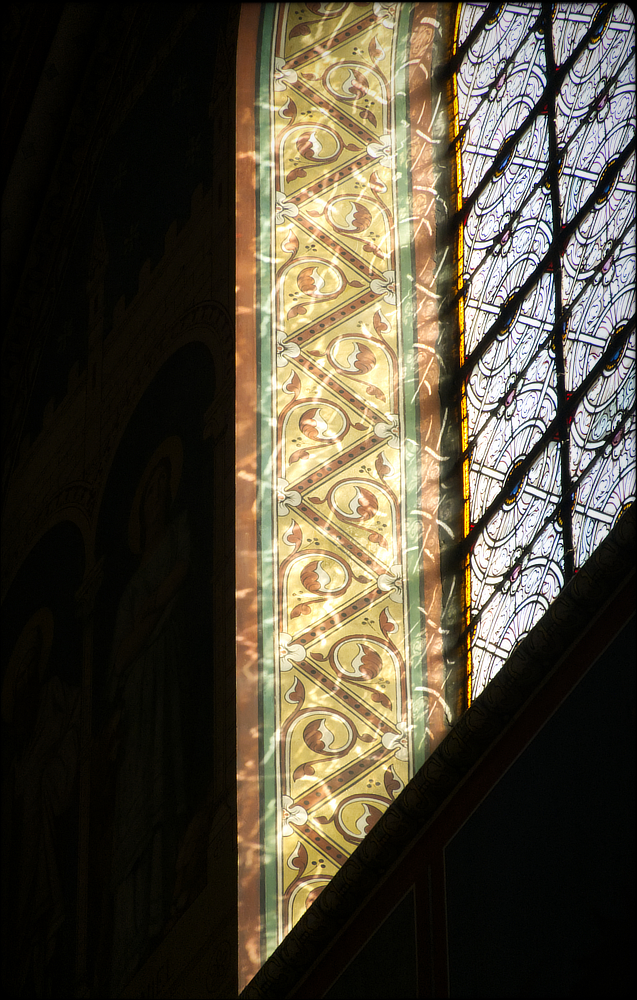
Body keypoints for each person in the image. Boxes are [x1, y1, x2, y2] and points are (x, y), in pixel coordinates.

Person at [107, 439, 190, 992]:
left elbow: (182, 573)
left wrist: (152, 616)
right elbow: (121, 652)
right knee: (136, 804)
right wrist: (147, 617)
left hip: (165, 672)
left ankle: (162, 909)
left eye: (164, 485)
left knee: (163, 788)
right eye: (150, 490)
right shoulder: (132, 587)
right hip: (140, 694)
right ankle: (132, 937)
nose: (157, 494)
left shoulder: (179, 535)